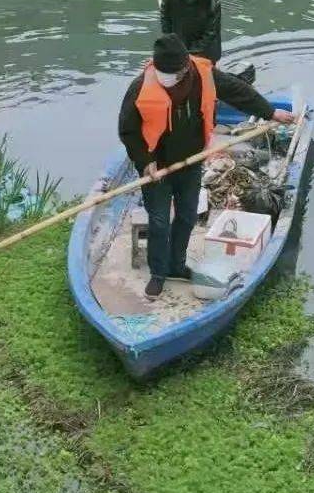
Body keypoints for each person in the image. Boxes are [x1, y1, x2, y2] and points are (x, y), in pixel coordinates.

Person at [118, 33, 294, 299]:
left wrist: (270, 112)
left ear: (184, 67)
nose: (165, 79)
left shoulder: (203, 75)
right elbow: (128, 130)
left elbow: (237, 91)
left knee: (188, 216)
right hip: (158, 168)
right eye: (161, 73)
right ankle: (158, 272)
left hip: (191, 160)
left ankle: (177, 265)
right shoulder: (141, 87)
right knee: (159, 221)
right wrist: (145, 161)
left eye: (170, 74)